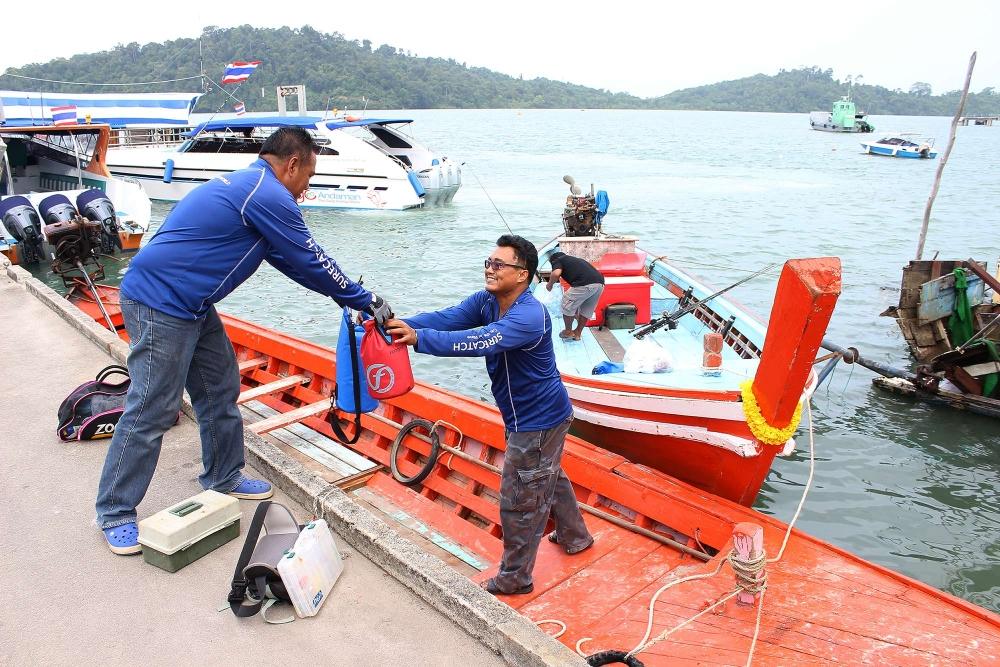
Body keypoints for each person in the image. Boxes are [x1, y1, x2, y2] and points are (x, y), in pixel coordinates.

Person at [96, 127, 393, 555]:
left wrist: (346, 298)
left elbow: (292, 261)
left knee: (220, 388)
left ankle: (224, 476)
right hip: (160, 301)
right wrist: (366, 298)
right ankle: (114, 511)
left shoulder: (249, 187)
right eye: (309, 175)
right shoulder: (267, 194)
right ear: (292, 164)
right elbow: (311, 257)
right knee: (152, 407)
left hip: (192, 304)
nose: (308, 186)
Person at [385, 235, 593, 595]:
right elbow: (449, 318)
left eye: (499, 265)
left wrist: (418, 339)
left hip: (538, 420)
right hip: (526, 416)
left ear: (523, 275)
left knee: (520, 499)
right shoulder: (487, 301)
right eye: (488, 262)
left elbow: (480, 340)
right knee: (546, 475)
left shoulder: (529, 315)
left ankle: (515, 578)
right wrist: (399, 323)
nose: (490, 269)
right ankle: (576, 536)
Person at [545, 251, 605, 341]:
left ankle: (568, 331)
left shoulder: (557, 260)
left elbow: (556, 273)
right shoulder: (575, 260)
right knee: (586, 309)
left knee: (566, 303)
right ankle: (577, 333)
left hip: (585, 283)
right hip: (600, 283)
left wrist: (549, 284)